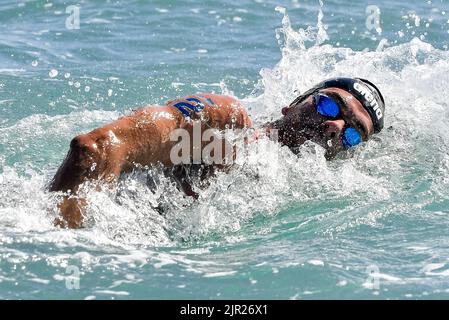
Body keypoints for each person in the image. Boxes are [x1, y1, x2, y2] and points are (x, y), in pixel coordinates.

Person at [49, 77, 385, 228]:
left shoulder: (306, 204)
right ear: (294, 102)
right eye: (329, 104)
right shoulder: (224, 124)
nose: (335, 127)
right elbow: (94, 149)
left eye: (353, 134)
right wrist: (69, 244)